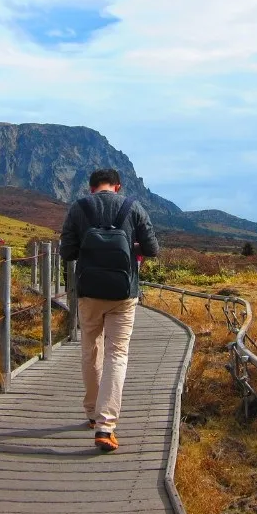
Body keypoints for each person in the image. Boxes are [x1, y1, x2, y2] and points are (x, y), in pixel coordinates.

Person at [60, 168, 159, 452]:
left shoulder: (78, 208)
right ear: (117, 186)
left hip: (88, 293)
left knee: (90, 349)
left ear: (91, 188)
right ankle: (106, 425)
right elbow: (152, 249)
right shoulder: (132, 206)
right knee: (117, 353)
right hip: (123, 293)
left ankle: (91, 413)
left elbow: (67, 252)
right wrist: (129, 243)